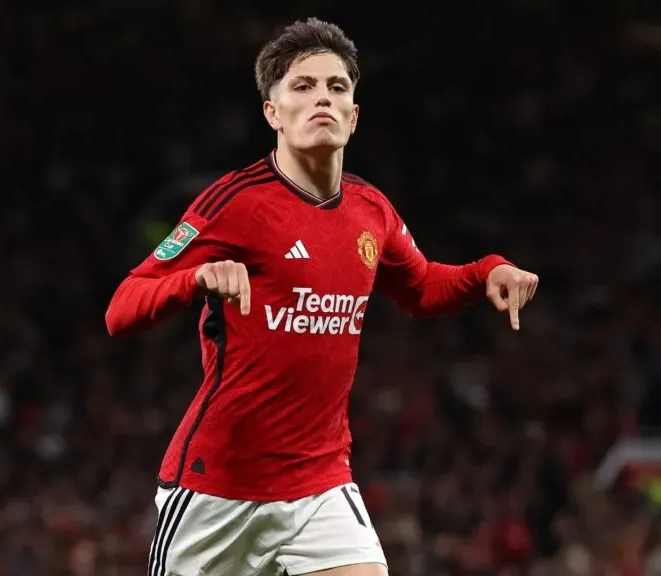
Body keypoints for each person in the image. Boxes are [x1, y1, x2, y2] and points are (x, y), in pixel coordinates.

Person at [105, 17, 539, 576]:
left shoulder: (370, 210)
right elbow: (121, 309)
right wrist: (195, 279)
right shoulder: (234, 203)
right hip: (218, 488)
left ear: (354, 116)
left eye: (337, 87)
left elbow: (422, 287)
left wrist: (487, 271)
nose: (322, 99)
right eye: (303, 86)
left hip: (320, 484)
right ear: (272, 113)